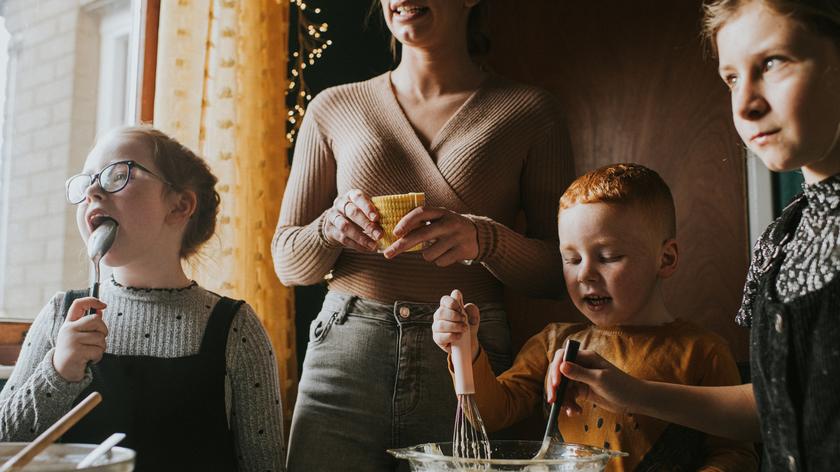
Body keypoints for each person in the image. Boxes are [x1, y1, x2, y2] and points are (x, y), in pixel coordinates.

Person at [272, 0, 573, 469]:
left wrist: (484, 240)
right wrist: (329, 228)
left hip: (466, 352)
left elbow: (562, 272)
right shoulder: (331, 107)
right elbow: (287, 263)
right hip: (346, 357)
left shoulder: (532, 112)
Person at [547, 1, 840, 471]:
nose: (745, 103)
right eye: (731, 78)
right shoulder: (782, 239)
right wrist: (633, 392)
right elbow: (775, 407)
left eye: (773, 63)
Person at [433, 163, 758, 471]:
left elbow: (735, 454)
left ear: (666, 258)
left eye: (608, 257)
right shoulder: (552, 343)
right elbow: (490, 414)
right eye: (571, 259)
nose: (585, 274)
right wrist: (466, 348)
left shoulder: (703, 352)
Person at [0, 126, 285, 472]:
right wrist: (59, 372)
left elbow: (264, 464)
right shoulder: (61, 315)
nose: (92, 190)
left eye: (119, 175)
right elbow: (5, 442)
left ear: (180, 206)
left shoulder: (236, 328)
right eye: (87, 180)